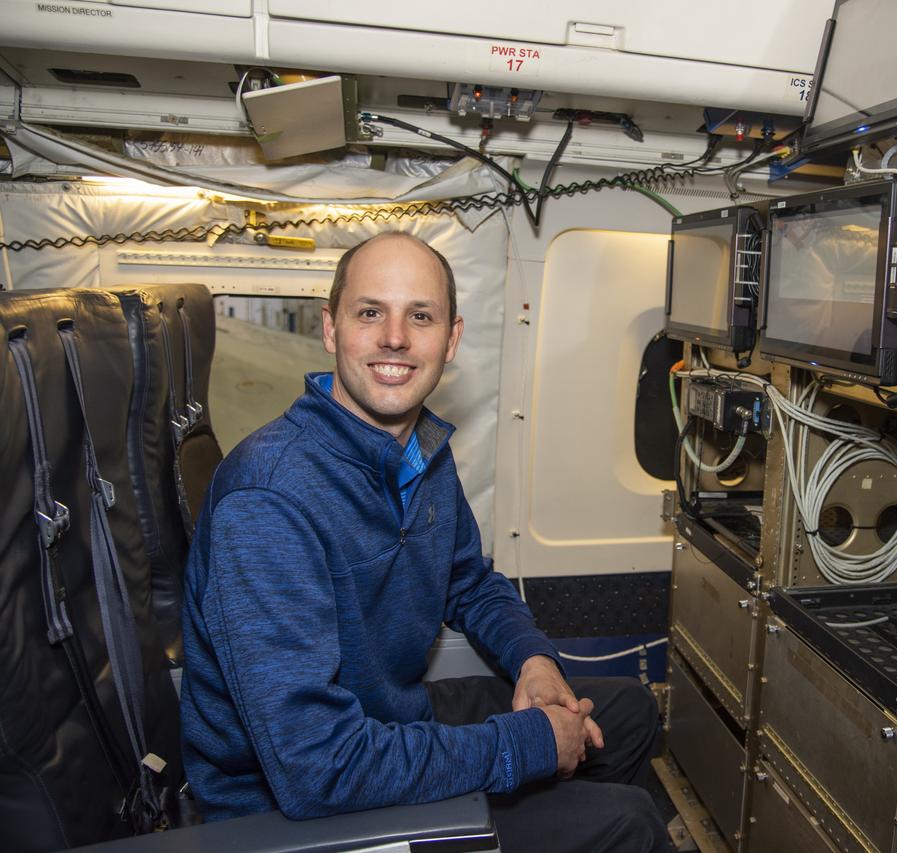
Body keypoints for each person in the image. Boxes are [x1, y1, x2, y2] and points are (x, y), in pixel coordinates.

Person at [180, 231, 666, 853]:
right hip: (292, 808)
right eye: (370, 312)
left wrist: (533, 661)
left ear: (451, 338)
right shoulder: (268, 499)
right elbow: (317, 768)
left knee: (625, 713)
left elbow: (469, 581)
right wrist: (530, 745)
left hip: (384, 718)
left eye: (421, 315)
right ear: (332, 329)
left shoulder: (419, 456)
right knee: (629, 821)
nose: (395, 338)